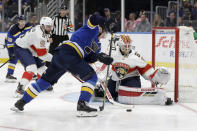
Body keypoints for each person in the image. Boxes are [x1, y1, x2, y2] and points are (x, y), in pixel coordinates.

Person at [11, 14, 113, 117]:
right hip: (70, 53)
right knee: (91, 77)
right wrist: (105, 21)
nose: (106, 34)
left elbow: (88, 59)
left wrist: (101, 57)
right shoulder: (91, 29)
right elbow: (94, 18)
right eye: (106, 31)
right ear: (101, 28)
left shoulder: (98, 45)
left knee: (45, 82)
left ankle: (21, 103)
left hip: (61, 56)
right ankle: (82, 106)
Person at [95, 35, 173, 105]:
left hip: (131, 78)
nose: (127, 48)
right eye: (124, 46)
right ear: (119, 46)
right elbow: (104, 67)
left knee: (131, 95)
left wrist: (155, 76)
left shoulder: (136, 56)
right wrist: (100, 76)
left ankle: (159, 99)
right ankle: (103, 90)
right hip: (115, 79)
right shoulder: (113, 54)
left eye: (129, 46)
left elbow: (145, 69)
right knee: (109, 94)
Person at [13, 17, 53, 97]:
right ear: (42, 25)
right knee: (32, 68)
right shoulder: (39, 35)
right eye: (48, 26)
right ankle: (20, 88)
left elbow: (41, 50)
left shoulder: (41, 29)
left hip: (31, 48)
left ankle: (43, 83)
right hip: (22, 48)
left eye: (51, 26)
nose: (50, 28)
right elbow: (42, 55)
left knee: (42, 68)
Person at [5, 15, 32, 82]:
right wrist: (12, 52)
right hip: (11, 43)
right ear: (18, 21)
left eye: (24, 21)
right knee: (13, 58)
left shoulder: (28, 26)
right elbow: (9, 42)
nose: (23, 23)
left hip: (22, 43)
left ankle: (29, 72)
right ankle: (9, 75)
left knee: (27, 57)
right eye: (21, 21)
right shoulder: (13, 30)